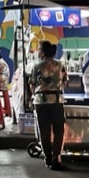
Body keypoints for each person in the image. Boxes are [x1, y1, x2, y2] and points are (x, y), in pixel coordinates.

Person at [29, 40, 67, 171]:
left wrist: (37, 94)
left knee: (44, 131)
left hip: (41, 102)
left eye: (39, 49)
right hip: (57, 100)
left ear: (43, 52)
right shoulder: (61, 65)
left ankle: (48, 158)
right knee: (59, 130)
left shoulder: (36, 66)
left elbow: (32, 85)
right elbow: (64, 82)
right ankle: (56, 157)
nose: (38, 52)